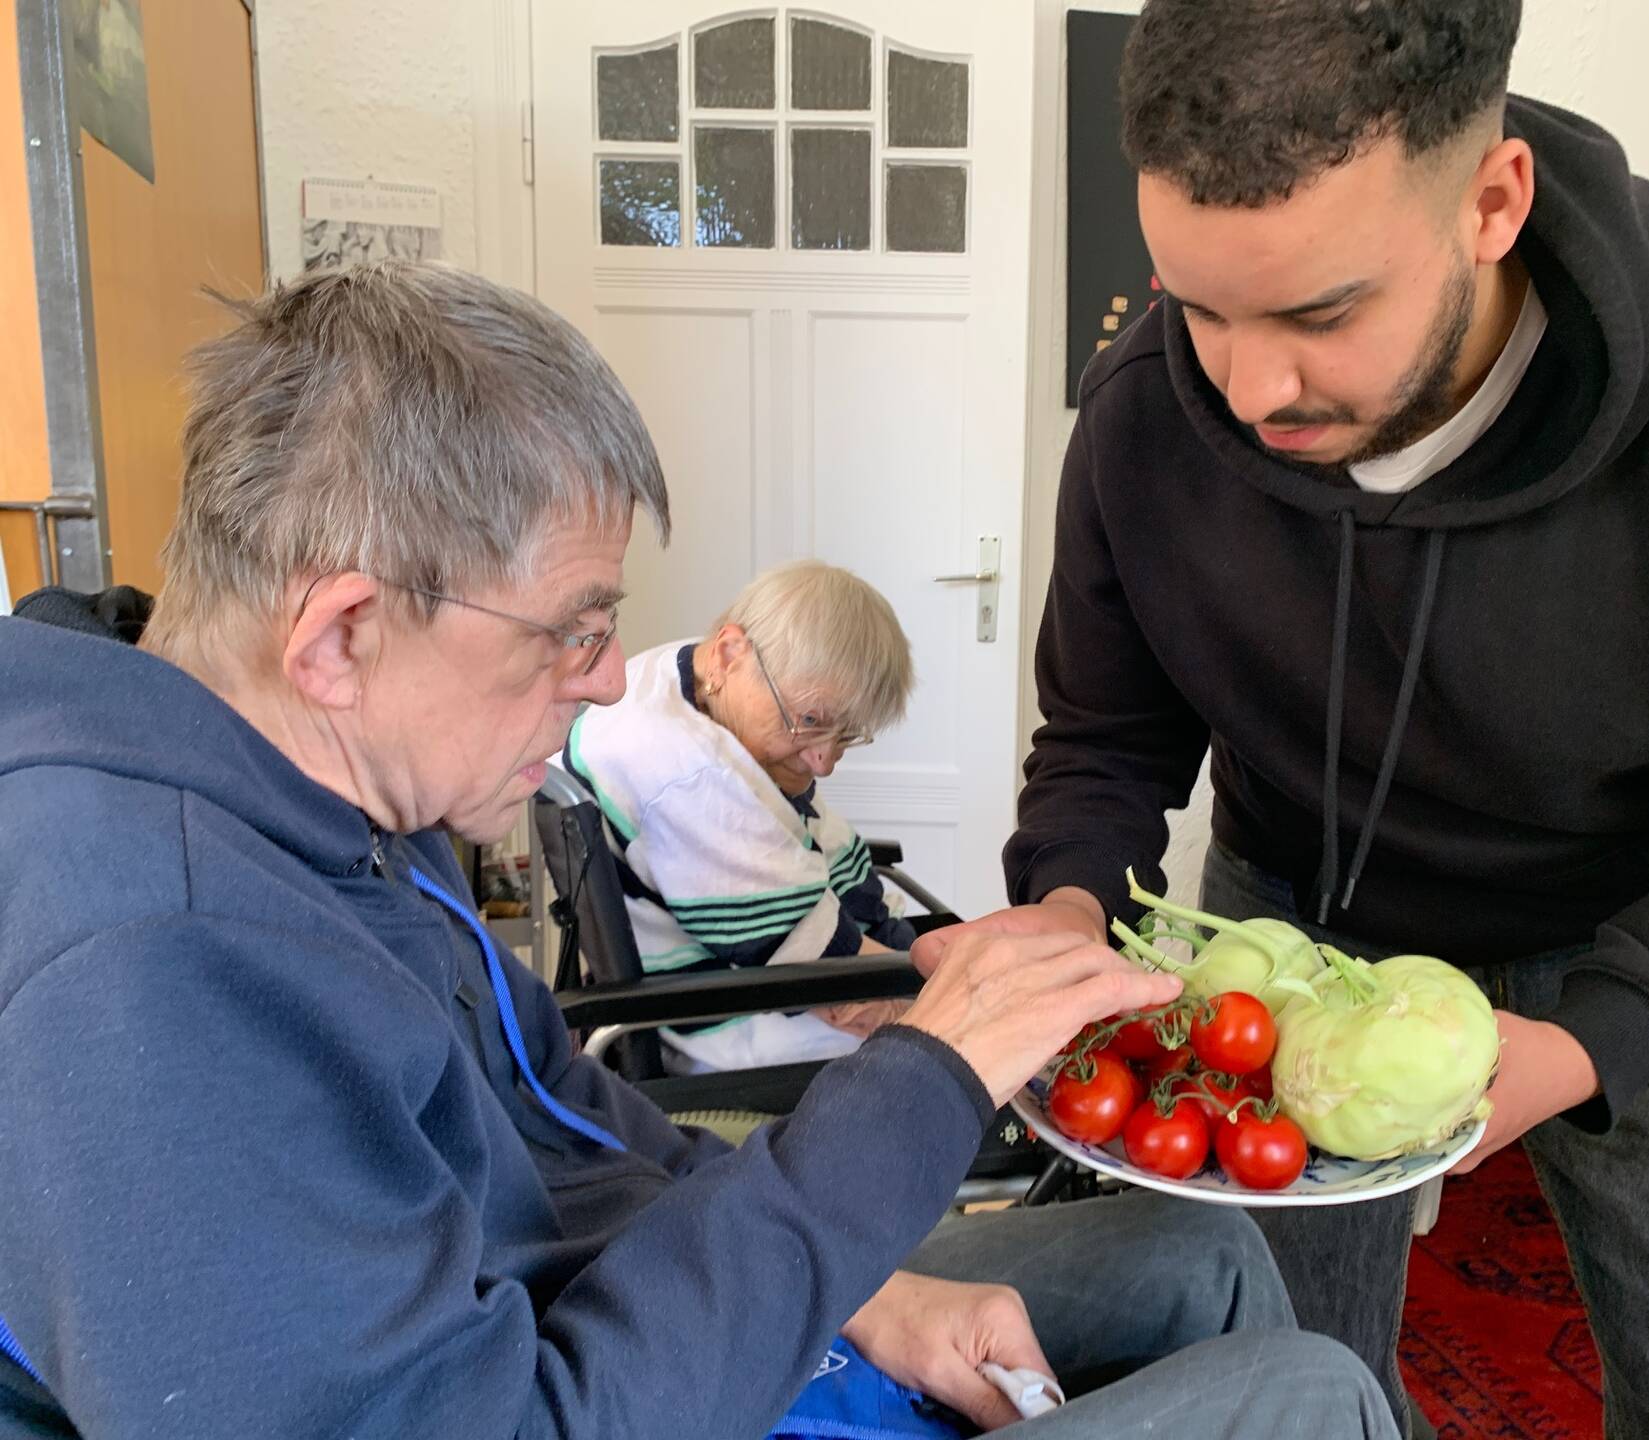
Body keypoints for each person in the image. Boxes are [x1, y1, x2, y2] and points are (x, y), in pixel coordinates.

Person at [0, 261, 1396, 1439]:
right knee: (1310, 1393)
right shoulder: (148, 969)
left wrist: (861, 1290)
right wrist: (921, 1087)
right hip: (585, 1381)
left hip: (607, 1313)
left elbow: (568, 1116)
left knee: (1204, 1255)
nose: (610, 681)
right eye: (573, 628)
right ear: (342, 633)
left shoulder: (326, 800)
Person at [920, 3, 1649, 1437]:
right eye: (1199, 304)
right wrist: (1069, 912)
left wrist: (1586, 1043)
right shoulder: (1145, 413)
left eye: (1321, 313)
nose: (1247, 389)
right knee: (1287, 1371)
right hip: (1297, 920)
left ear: (1493, 202)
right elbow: (1104, 741)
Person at [563, 560, 920, 1071]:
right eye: (811, 721)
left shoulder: (681, 672)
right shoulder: (693, 781)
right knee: (955, 1053)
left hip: (717, 961)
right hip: (721, 1018)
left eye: (845, 735)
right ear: (731, 653)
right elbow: (839, 984)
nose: (824, 762)